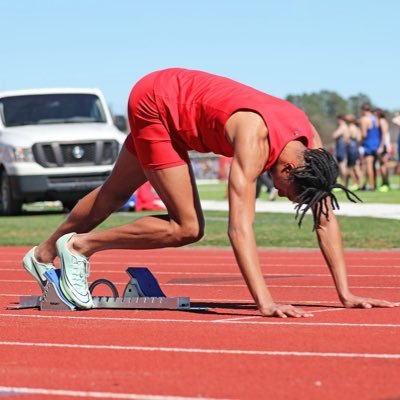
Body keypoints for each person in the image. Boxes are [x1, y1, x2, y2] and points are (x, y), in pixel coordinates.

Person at [22, 68, 399, 318]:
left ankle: (42, 254)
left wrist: (345, 293)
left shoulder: (311, 147)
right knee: (187, 227)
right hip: (158, 106)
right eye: (289, 193)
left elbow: (325, 218)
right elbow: (239, 229)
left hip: (166, 97)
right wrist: (264, 302)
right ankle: (79, 247)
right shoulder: (255, 139)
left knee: (113, 195)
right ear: (286, 170)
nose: (285, 198)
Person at [360, 103, 381, 190]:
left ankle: (372, 186)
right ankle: (374, 184)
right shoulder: (376, 118)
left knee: (369, 166)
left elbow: (364, 134)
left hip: (369, 144)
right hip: (377, 144)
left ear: (363, 110)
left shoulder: (364, 119)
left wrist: (359, 141)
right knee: (374, 166)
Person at [344, 114, 363, 190]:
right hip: (356, 148)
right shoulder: (357, 128)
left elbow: (346, 140)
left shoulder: (349, 128)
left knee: (350, 168)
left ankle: (355, 183)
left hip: (351, 149)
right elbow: (359, 139)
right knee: (357, 168)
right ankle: (361, 184)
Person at [374, 109, 391, 192]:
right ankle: (385, 183)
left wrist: (381, 146)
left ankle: (385, 184)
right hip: (383, 145)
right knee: (382, 165)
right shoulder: (381, 121)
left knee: (383, 165)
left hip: (383, 145)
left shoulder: (382, 121)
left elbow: (384, 135)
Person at [331, 115, 348, 184]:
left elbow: (334, 135)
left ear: (340, 120)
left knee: (342, 166)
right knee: (342, 165)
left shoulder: (343, 127)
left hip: (341, 148)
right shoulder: (346, 127)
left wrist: (334, 133)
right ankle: (344, 183)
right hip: (343, 147)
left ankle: (343, 183)